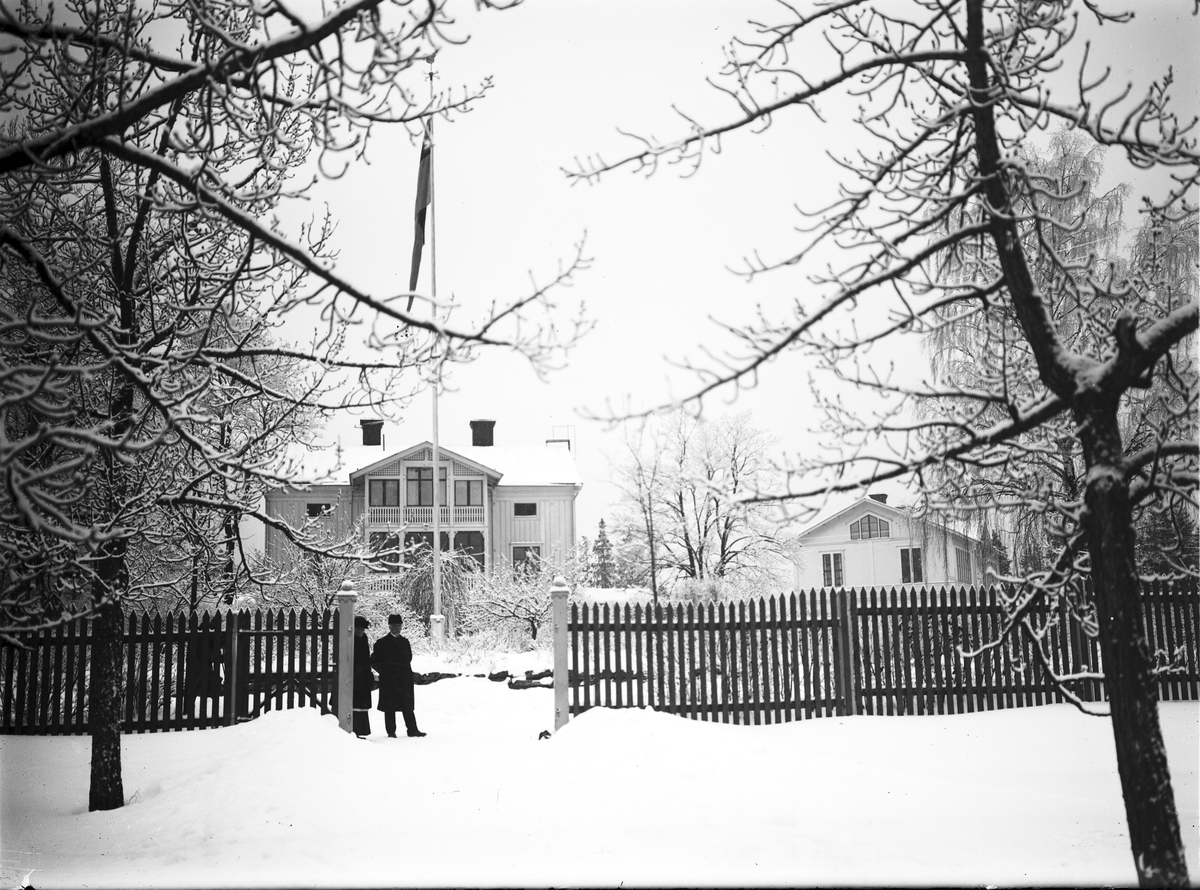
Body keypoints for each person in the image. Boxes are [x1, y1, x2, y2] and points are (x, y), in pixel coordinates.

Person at [371, 614, 426, 738]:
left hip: (404, 678)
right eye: (394, 625)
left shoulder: (405, 642)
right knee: (389, 706)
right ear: (389, 626)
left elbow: (408, 658)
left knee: (407, 705)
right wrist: (385, 672)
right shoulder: (381, 643)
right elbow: (374, 661)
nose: (396, 628)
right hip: (389, 680)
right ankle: (391, 731)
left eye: (398, 625)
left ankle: (412, 729)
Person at [352, 616, 374, 738]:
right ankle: (354, 729)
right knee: (354, 703)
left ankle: (361, 730)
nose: (360, 631)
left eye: (362, 629)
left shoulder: (364, 639)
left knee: (361, 704)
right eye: (358, 628)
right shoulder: (351, 639)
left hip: (363, 675)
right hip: (354, 675)